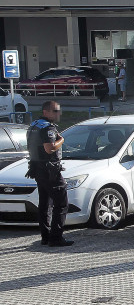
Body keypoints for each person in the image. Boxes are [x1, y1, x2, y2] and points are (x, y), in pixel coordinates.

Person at [25, 101, 73, 247]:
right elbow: (50, 148)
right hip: (50, 170)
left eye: (59, 110)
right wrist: (61, 140)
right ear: (46, 112)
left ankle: (45, 237)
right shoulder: (48, 128)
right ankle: (56, 238)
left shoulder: (34, 125)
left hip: (37, 168)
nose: (59, 113)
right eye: (56, 111)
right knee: (61, 204)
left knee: (45, 204)